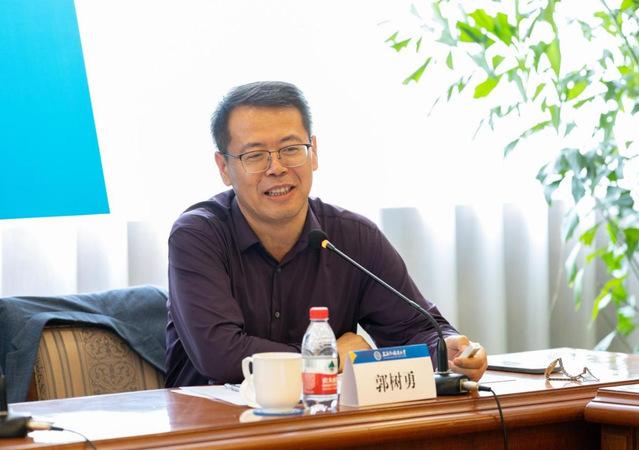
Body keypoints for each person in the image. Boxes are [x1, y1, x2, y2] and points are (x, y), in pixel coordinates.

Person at [165, 81, 487, 388]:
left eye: (291, 149)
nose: (276, 168)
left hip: (325, 417)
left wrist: (447, 350)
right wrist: (326, 356)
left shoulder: (354, 238)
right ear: (224, 167)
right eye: (255, 155)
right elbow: (221, 356)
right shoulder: (197, 237)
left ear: (314, 152)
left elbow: (415, 328)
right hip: (215, 420)